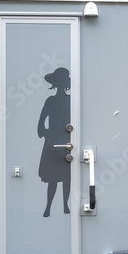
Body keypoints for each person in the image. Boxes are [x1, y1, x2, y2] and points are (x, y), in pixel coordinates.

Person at [38, 67, 71, 217]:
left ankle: (65, 205)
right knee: (54, 177)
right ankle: (48, 207)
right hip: (54, 142)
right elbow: (41, 121)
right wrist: (44, 132)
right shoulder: (50, 101)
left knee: (66, 177)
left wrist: (45, 132)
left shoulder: (70, 100)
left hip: (66, 141)